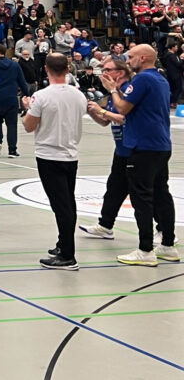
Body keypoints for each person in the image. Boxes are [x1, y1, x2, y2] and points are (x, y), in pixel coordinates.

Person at [81, 58, 176, 249]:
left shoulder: (129, 90)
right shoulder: (112, 95)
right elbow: (106, 121)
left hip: (138, 149)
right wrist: (92, 111)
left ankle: (163, 232)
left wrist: (102, 110)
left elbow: (124, 117)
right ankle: (105, 225)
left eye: (108, 69)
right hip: (122, 149)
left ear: (121, 72)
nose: (103, 73)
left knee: (150, 191)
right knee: (114, 188)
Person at [101, 44, 179, 266]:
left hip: (143, 146)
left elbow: (123, 108)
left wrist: (112, 90)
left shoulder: (142, 80)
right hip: (160, 144)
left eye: (132, 56)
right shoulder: (160, 79)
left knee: (141, 198)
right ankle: (168, 245)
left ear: (143, 58)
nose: (128, 59)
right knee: (162, 194)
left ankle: (145, 249)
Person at [21, 53, 87, 270]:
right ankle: (63, 243)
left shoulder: (41, 96)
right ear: (67, 69)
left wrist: (26, 107)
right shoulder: (78, 95)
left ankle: (68, 255)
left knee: (61, 205)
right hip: (71, 154)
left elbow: (29, 126)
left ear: (46, 70)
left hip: (49, 155)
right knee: (68, 201)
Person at [0, 41, 31, 158]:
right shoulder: (14, 65)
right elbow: (22, 82)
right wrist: (26, 95)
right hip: (11, 98)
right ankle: (12, 150)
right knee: (12, 124)